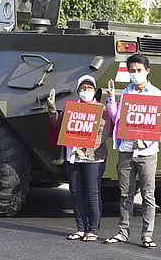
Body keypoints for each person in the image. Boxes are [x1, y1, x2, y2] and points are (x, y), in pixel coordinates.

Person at [105, 53, 161, 249]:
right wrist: (110, 101)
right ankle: (122, 232)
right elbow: (118, 119)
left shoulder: (157, 95)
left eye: (138, 70)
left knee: (148, 195)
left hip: (147, 153)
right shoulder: (126, 93)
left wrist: (147, 140)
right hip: (126, 150)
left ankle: (147, 235)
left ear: (147, 71)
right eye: (132, 71)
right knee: (125, 194)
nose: (135, 74)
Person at [48, 75, 111, 242]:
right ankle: (80, 228)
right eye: (82, 89)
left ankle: (93, 230)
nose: (86, 91)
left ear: (95, 91)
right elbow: (58, 125)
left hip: (93, 158)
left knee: (92, 193)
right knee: (75, 193)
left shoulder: (101, 109)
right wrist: (52, 108)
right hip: (73, 157)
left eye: (89, 88)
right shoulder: (72, 108)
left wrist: (87, 148)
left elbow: (105, 133)